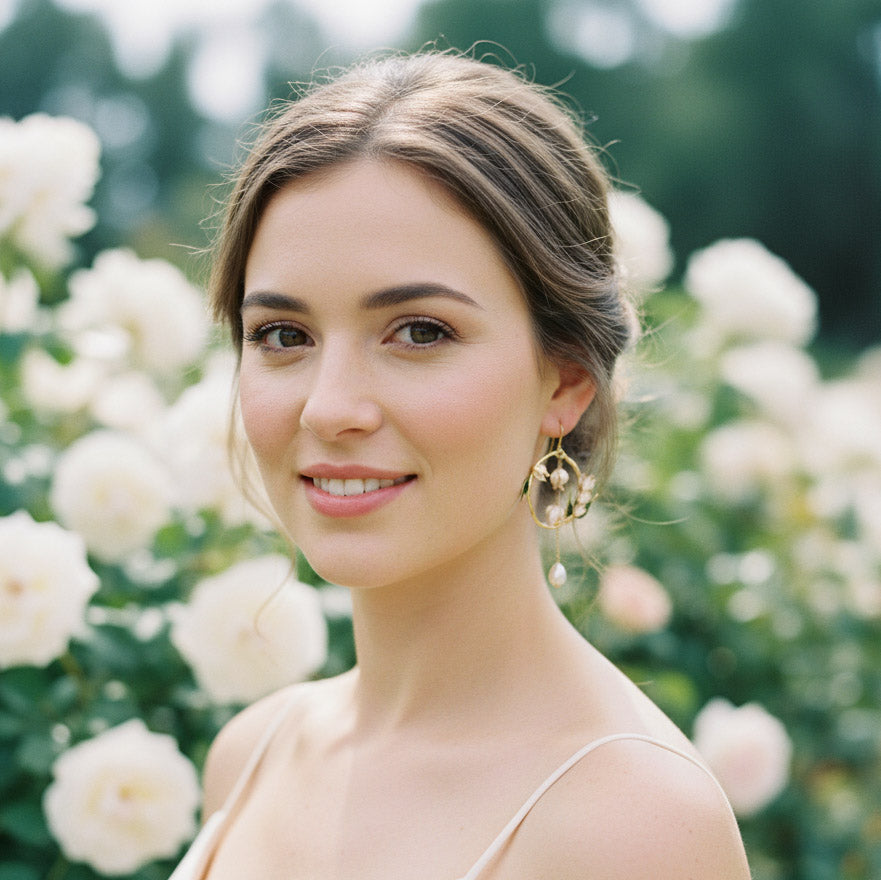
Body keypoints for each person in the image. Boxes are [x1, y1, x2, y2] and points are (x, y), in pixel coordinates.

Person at [171, 49, 751, 880]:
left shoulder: (633, 826)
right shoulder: (250, 756)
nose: (329, 407)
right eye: (283, 336)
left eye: (419, 331)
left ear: (567, 381)